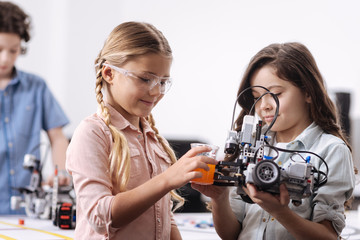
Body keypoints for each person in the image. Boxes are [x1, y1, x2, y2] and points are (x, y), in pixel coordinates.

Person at [65, 21, 217, 239]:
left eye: (163, 82)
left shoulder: (152, 137)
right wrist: (167, 180)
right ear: (109, 73)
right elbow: (100, 217)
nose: (156, 92)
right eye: (145, 79)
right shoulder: (92, 133)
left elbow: (162, 215)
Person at [193, 42, 356, 239]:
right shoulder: (249, 147)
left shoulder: (330, 150)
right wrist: (219, 199)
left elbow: (327, 236)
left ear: (307, 92)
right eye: (256, 97)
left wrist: (280, 211)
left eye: (275, 94)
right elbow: (231, 234)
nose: (264, 106)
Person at [0, 1, 70, 215]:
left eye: (13, 51)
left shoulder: (36, 87)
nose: (6, 58)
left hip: (28, 208)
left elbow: (57, 137)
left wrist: (60, 171)